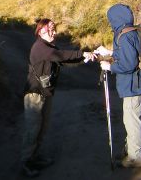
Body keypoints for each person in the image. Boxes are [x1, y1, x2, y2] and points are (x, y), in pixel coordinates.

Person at [21, 18, 96, 177]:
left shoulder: (49, 46)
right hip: (34, 95)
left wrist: (85, 58)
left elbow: (64, 61)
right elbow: (60, 55)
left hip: (46, 94)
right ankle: (26, 163)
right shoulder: (40, 47)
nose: (54, 32)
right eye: (51, 29)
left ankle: (35, 157)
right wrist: (83, 53)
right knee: (32, 131)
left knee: (42, 129)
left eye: (54, 29)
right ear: (41, 31)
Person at [97, 3, 141, 168]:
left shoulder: (123, 35)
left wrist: (110, 66)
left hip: (133, 86)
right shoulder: (132, 31)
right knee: (132, 119)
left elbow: (128, 64)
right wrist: (111, 52)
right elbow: (129, 53)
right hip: (140, 83)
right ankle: (129, 150)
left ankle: (135, 158)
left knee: (131, 121)